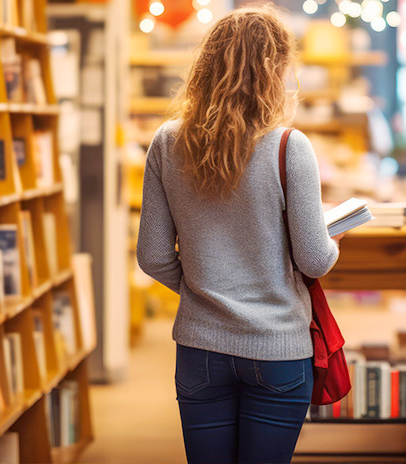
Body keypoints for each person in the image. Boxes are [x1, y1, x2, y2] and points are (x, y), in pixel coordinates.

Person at [136, 5, 342, 464]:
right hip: (278, 349)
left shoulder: (168, 142)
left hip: (199, 347)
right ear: (275, 72)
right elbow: (313, 259)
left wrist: (203, 288)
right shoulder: (290, 146)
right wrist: (332, 243)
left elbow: (152, 256)